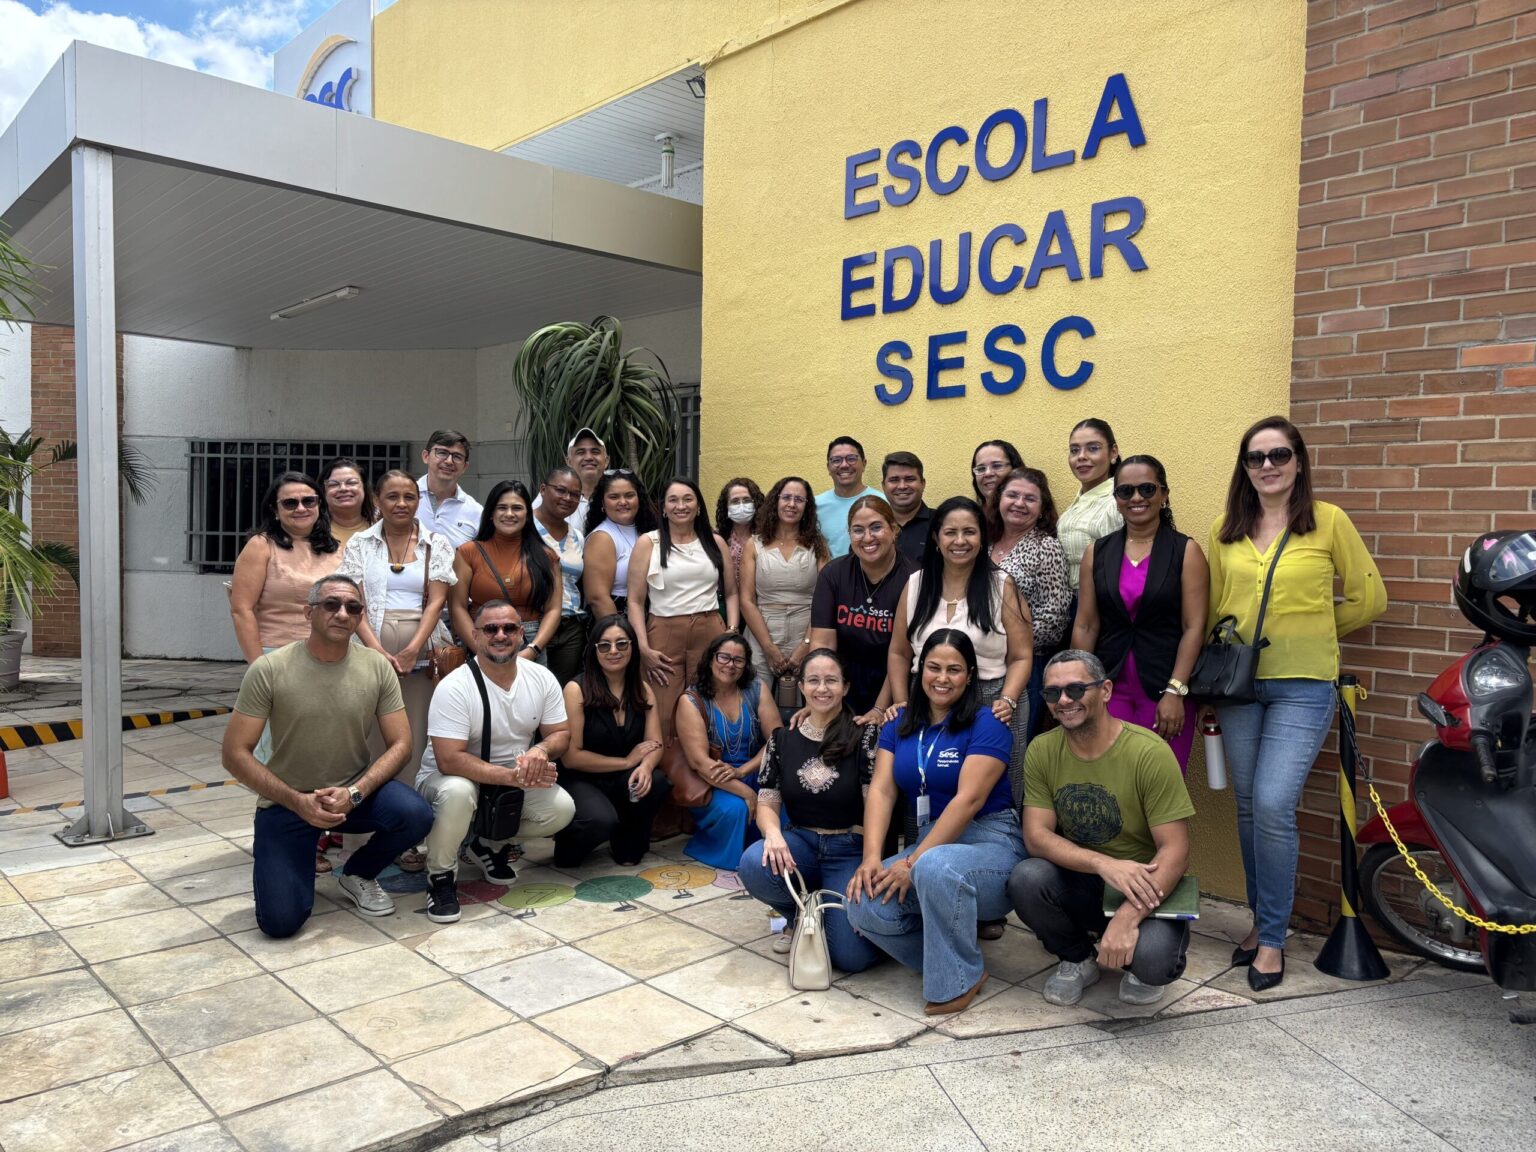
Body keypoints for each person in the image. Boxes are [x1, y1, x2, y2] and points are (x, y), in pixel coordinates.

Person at [1207, 416, 1386, 991]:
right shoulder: (1225, 529)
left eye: (1278, 455)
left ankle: (1275, 939)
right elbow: (1214, 609)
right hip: (1239, 687)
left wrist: (1316, 632)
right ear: (1245, 468)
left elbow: (1369, 597)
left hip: (1303, 685)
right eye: (1256, 458)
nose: (1267, 466)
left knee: (1275, 803)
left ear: (1299, 461)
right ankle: (1260, 923)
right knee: (1248, 806)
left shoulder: (1328, 521)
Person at [222, 575, 433, 937]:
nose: (342, 613)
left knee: (415, 814)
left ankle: (357, 872)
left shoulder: (376, 666)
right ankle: (294, 864)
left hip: (351, 797)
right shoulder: (270, 669)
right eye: (331, 604)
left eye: (353, 607)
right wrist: (297, 801)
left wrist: (355, 793)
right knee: (280, 923)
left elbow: (401, 744)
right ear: (308, 612)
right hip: (286, 802)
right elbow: (234, 754)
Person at [844, 630, 1025, 1015]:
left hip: (990, 841)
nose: (942, 678)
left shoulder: (987, 722)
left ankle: (958, 978)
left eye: (954, 670)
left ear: (970, 675)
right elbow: (882, 792)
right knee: (862, 901)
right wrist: (872, 857)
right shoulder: (900, 725)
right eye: (934, 667)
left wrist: (912, 861)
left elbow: (969, 800)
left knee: (934, 866)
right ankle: (950, 953)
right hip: (932, 841)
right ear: (919, 670)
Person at [1008, 650, 1196, 1007]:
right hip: (1086, 879)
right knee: (1026, 878)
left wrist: (1128, 917)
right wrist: (1103, 864)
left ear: (1106, 690)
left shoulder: (1148, 752)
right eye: (1052, 693)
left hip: (1145, 882)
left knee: (1154, 962)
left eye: (1076, 689)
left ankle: (1142, 952)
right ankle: (1077, 959)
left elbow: (1176, 851)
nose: (1064, 701)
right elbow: (1037, 836)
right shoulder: (1042, 750)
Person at [415, 600, 576, 923]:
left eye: (509, 628)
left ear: (521, 634)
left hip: (507, 781)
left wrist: (540, 751)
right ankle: (441, 876)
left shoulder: (540, 677)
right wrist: (512, 778)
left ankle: (487, 843)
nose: (500, 635)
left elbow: (560, 734)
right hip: (448, 779)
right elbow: (449, 760)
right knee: (458, 793)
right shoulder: (455, 687)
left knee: (561, 808)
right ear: (475, 635)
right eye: (491, 628)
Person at [738, 649, 882, 974]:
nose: (822, 689)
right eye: (813, 681)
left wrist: (871, 859)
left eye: (831, 681)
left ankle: (825, 911)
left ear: (845, 687)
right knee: (753, 861)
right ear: (801, 687)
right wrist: (773, 834)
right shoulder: (781, 739)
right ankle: (798, 914)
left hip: (848, 850)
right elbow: (767, 803)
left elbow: (876, 805)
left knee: (850, 959)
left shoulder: (865, 735)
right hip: (800, 845)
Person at [228, 472, 344, 874]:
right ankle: (290, 837)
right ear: (274, 510)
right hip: (280, 660)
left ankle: (324, 830)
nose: (300, 509)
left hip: (333, 661)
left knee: (328, 751)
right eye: (290, 502)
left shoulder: (335, 549)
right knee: (283, 755)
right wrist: (259, 664)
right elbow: (242, 608)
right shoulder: (261, 547)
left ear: (319, 506)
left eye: (308, 501)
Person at [1073, 456, 1209, 772]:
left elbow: (1194, 626)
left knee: (1160, 787)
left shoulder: (1185, 551)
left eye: (1147, 489)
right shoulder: (1097, 552)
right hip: (1108, 687)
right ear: (1116, 499)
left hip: (1165, 688)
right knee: (1109, 782)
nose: (1137, 498)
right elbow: (1086, 623)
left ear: (1164, 495)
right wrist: (1078, 684)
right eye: (1126, 491)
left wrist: (1176, 691)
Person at [888, 496, 1032, 794]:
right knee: (926, 784)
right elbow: (899, 652)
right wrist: (903, 701)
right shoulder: (916, 584)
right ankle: (924, 843)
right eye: (950, 532)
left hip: (992, 701)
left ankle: (998, 841)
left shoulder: (1002, 585)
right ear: (936, 538)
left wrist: (1007, 700)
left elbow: (1021, 656)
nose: (960, 541)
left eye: (969, 532)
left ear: (982, 538)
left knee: (992, 794)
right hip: (929, 698)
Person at [338, 470, 456, 786]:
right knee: (368, 736)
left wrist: (412, 650)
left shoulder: (437, 544)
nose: (401, 503)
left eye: (409, 497)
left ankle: (409, 822)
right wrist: (376, 651)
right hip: (368, 652)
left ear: (419, 502)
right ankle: (361, 826)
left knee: (414, 735)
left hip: (420, 658)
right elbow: (353, 604)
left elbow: (437, 603)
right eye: (392, 496)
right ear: (377, 501)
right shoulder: (360, 544)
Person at [552, 615, 669, 868]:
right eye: (604, 645)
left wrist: (645, 766)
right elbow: (572, 757)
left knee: (657, 781)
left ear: (632, 647)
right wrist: (627, 761)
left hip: (621, 779)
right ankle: (570, 844)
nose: (613, 651)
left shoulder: (643, 689)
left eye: (621, 644)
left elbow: (655, 743)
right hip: (581, 778)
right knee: (599, 821)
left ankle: (626, 838)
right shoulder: (576, 689)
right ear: (593, 650)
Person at [629, 478, 739, 737]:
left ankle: (711, 764)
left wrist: (732, 630)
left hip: (710, 629)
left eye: (688, 499)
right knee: (664, 708)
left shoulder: (714, 542)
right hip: (663, 632)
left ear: (699, 506)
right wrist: (643, 647)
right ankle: (669, 770)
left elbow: (731, 593)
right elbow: (635, 600)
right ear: (663, 508)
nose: (681, 506)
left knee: (711, 702)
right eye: (673, 500)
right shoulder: (649, 542)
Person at [674, 631, 781, 869]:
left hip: (755, 769)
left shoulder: (756, 689)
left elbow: (776, 739)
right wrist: (747, 792)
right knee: (737, 810)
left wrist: (744, 771)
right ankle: (733, 856)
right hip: (713, 780)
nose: (730, 665)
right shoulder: (691, 700)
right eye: (723, 657)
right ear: (711, 659)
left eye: (738, 660)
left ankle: (775, 854)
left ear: (745, 665)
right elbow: (700, 763)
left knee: (780, 804)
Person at [809, 495, 915, 724]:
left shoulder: (914, 578)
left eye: (876, 527)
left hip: (894, 690)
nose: (867, 537)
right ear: (849, 535)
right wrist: (820, 699)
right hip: (841, 688)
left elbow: (902, 654)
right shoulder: (833, 575)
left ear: (894, 530)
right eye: (858, 530)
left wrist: (879, 709)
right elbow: (822, 644)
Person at [987, 468, 1072, 739]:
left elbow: (1054, 618)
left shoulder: (1046, 547)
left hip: (1025, 665)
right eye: (1012, 495)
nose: (1019, 503)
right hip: (980, 661)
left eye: (1030, 498)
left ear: (1042, 508)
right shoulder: (983, 543)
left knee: (1015, 740)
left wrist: (1004, 641)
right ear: (999, 498)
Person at [449, 480, 561, 662]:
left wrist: (534, 649)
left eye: (517, 508)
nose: (509, 514)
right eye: (502, 508)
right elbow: (457, 608)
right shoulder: (467, 553)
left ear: (527, 514)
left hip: (530, 644)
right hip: (482, 641)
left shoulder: (547, 556)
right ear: (491, 514)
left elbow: (554, 609)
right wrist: (480, 650)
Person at [740, 476, 829, 695]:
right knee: (755, 701)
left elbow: (825, 600)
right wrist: (769, 648)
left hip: (807, 631)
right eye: (786, 497)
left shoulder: (818, 545)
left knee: (811, 702)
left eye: (799, 499)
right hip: (761, 635)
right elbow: (747, 600)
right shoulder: (754, 544)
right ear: (775, 501)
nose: (792, 504)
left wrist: (806, 646)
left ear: (807, 506)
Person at [532, 466, 589, 684]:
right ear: (543, 489)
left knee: (563, 692)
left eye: (575, 494)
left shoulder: (577, 536)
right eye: (561, 490)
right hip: (534, 622)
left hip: (570, 628)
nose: (568, 498)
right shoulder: (524, 526)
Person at [1058, 418, 1124, 594]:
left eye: (1093, 448)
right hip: (1072, 606)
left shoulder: (1118, 503)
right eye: (1074, 450)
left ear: (1113, 452)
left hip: (1105, 605)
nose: (1081, 456)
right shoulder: (1076, 504)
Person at [582, 467, 656, 620]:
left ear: (639, 499)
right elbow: (598, 599)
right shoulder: (602, 538)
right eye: (614, 497)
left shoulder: (647, 530)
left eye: (629, 495)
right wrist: (621, 636)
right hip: (618, 621)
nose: (623, 502)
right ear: (602, 502)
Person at [815, 436, 884, 558]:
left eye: (851, 459)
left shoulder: (882, 502)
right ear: (828, 467)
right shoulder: (815, 506)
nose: (844, 465)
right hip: (830, 576)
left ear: (864, 464)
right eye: (836, 460)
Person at [415, 430, 483, 549]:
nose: (449, 461)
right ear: (426, 456)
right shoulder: (403, 499)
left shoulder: (476, 513)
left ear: (465, 467)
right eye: (442, 453)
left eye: (457, 457)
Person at [533, 427, 609, 531]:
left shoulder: (617, 497)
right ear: (569, 462)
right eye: (581, 452)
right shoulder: (549, 496)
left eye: (595, 451)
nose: (588, 457)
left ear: (606, 461)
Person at [881, 451, 931, 564]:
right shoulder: (872, 526)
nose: (902, 486)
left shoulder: (940, 524)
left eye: (909, 479)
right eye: (894, 480)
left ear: (923, 484)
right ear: (883, 486)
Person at [714, 477, 765, 589]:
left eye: (747, 500)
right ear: (726, 506)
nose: (741, 506)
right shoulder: (717, 539)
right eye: (735, 501)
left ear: (756, 503)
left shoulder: (767, 538)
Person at [319, 458, 376, 550]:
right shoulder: (310, 530)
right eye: (333, 484)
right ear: (323, 491)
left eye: (351, 483)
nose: (343, 488)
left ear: (364, 488)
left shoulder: (381, 528)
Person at [970, 439, 1025, 507]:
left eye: (997, 466)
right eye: (981, 469)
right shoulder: (971, 516)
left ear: (1015, 469)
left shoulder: (1028, 514)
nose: (988, 473)